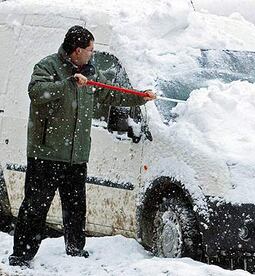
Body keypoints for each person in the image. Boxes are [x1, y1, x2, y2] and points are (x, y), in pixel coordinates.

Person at [9, 25, 156, 267]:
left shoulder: (92, 72)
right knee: (35, 207)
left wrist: (140, 97)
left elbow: (112, 95)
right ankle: (21, 254)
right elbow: (37, 92)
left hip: (76, 155)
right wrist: (68, 83)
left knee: (76, 207)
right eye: (90, 50)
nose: (93, 54)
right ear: (77, 50)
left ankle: (75, 250)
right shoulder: (47, 66)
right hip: (46, 153)